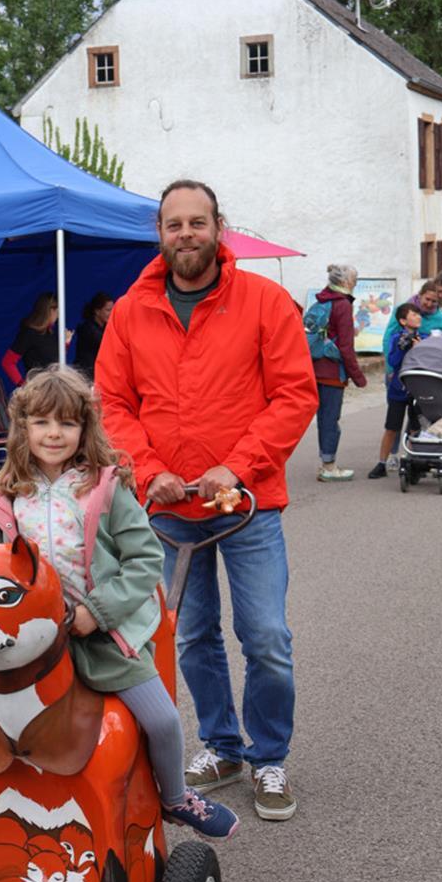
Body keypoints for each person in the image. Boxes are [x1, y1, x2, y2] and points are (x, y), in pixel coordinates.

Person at [0, 365, 239, 840]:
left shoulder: (104, 488)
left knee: (161, 717)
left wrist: (97, 611)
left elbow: (145, 557)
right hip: (24, 637)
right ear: (23, 427)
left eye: (67, 424)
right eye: (42, 422)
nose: (54, 434)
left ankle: (174, 797)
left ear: (84, 429)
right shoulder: (4, 494)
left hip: (96, 632)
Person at [95, 179, 319, 822]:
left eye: (198, 222)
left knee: (266, 635)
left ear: (219, 227)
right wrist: (149, 471)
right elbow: (112, 404)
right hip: (166, 512)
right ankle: (221, 746)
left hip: (245, 505)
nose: (187, 234)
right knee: (190, 636)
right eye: (174, 224)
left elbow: (294, 395)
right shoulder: (131, 313)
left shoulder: (264, 301)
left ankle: (269, 754)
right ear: (158, 234)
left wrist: (238, 467)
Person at [308, 263, 368, 481]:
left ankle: (326, 462)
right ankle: (329, 466)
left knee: (322, 418)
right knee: (330, 419)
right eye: (354, 279)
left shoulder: (322, 300)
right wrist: (358, 376)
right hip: (332, 371)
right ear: (344, 281)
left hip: (315, 366)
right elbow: (346, 346)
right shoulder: (342, 305)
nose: (355, 282)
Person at [368, 302, 427, 478]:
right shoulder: (396, 338)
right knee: (392, 427)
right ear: (402, 320)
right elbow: (393, 362)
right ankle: (382, 463)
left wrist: (420, 348)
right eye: (413, 314)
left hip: (417, 388)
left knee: (416, 427)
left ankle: (414, 461)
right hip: (398, 389)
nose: (418, 317)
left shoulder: (424, 337)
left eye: (419, 314)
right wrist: (405, 348)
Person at [1, 292, 72, 385]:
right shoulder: (29, 333)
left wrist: (66, 343)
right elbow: (8, 362)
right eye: (57, 311)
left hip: (54, 388)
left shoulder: (50, 332)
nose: (58, 316)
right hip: (40, 390)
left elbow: (55, 360)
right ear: (48, 310)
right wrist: (23, 385)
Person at [381, 280, 442, 360]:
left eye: (434, 301)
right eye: (427, 299)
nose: (429, 304)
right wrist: (390, 369)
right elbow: (388, 339)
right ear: (420, 295)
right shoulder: (402, 311)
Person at [73, 292, 114, 381]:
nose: (111, 313)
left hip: (95, 374)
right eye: (108, 310)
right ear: (97, 311)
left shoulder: (103, 327)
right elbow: (108, 345)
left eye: (112, 309)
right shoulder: (89, 329)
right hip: (86, 376)